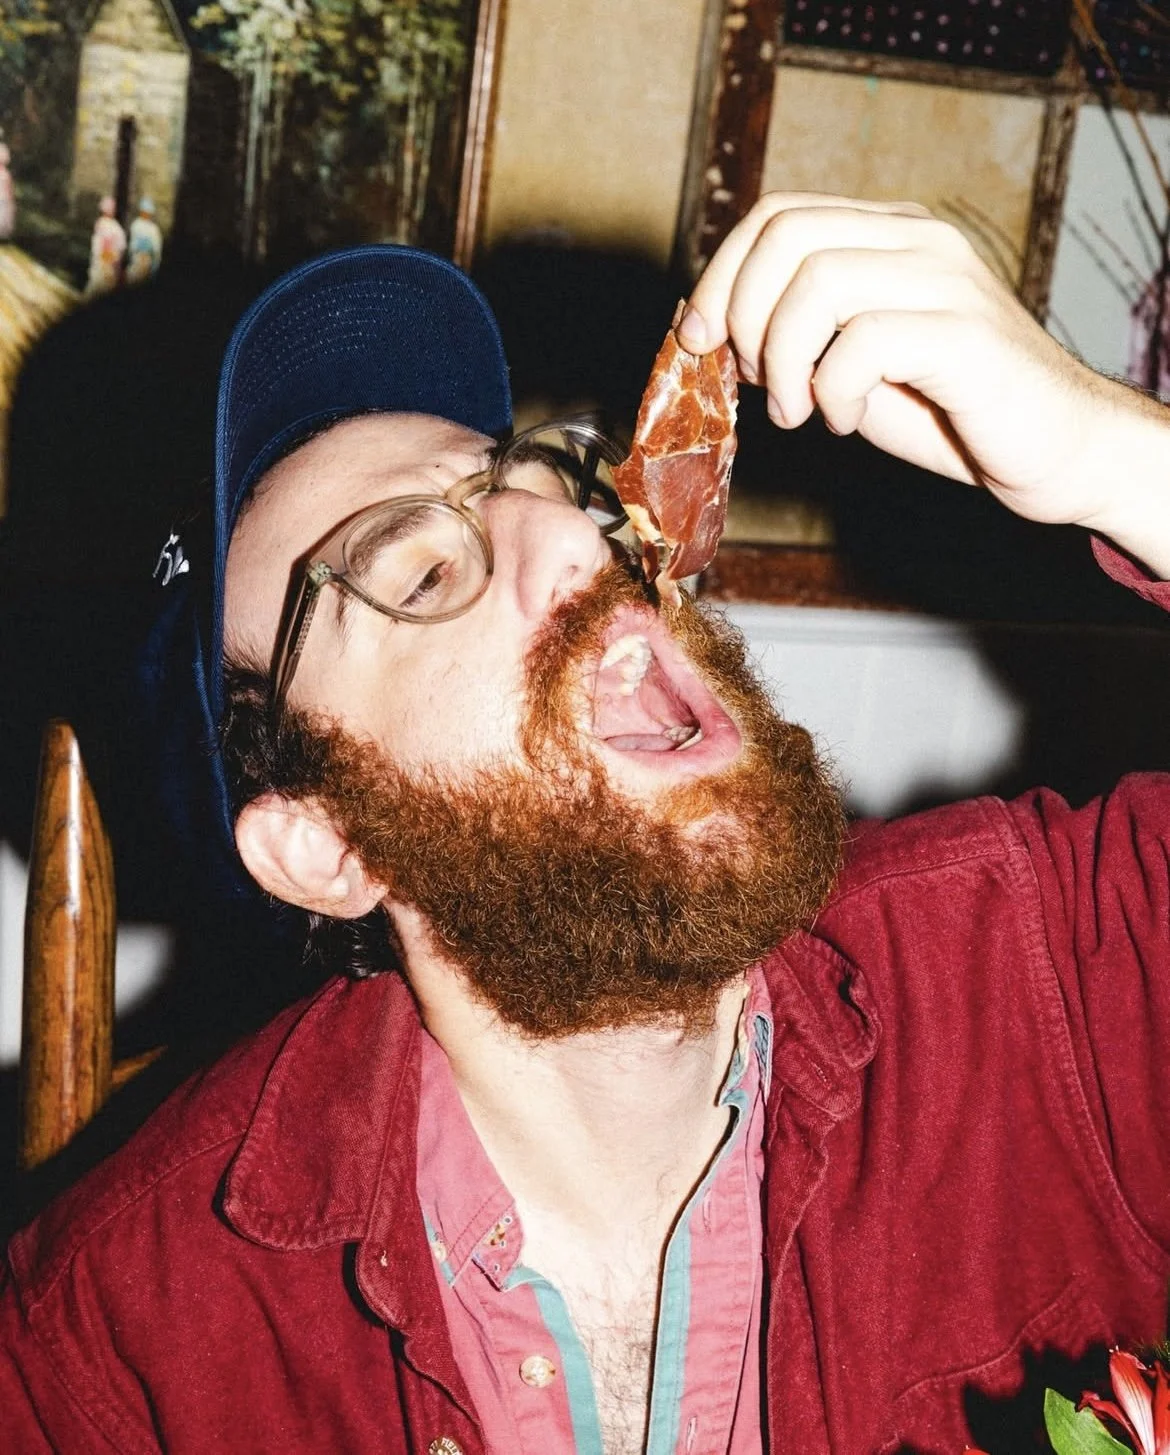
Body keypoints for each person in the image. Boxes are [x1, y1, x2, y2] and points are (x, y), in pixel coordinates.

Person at [4, 193, 1170, 1454]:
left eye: (543, 477)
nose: (580, 529)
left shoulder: (1045, 980)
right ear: (327, 847)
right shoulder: (124, 1347)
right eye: (419, 571)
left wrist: (1114, 457)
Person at [85, 196, 125, 294]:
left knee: (93, 289)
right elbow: (120, 251)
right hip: (110, 264)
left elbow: (100, 247)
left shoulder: (101, 224)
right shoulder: (118, 228)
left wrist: (104, 260)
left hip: (102, 262)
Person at [125, 196, 163, 285]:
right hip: (137, 258)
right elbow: (132, 245)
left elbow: (157, 249)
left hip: (147, 260)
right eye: (145, 212)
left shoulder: (153, 229)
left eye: (147, 212)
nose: (146, 214)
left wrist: (155, 264)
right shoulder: (136, 224)